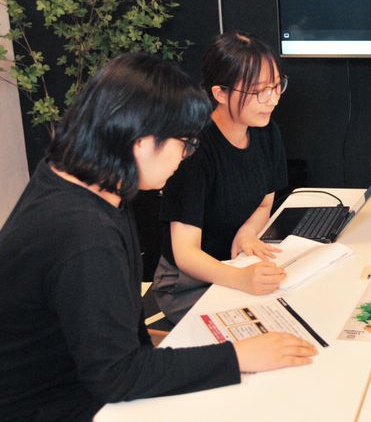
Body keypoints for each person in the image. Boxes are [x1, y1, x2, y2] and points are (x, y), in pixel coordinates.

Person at [0, 53, 317, 421]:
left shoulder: (73, 179)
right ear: (141, 141)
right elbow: (117, 375)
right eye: (184, 143)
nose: (184, 156)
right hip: (54, 405)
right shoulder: (85, 233)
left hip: (78, 381)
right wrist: (239, 356)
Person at [153, 31, 290, 323]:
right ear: (221, 94)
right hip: (188, 283)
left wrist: (247, 232)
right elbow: (185, 253)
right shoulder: (193, 149)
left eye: (277, 86)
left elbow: (265, 202)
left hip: (238, 266)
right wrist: (240, 278)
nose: (272, 100)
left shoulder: (266, 131)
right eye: (259, 91)